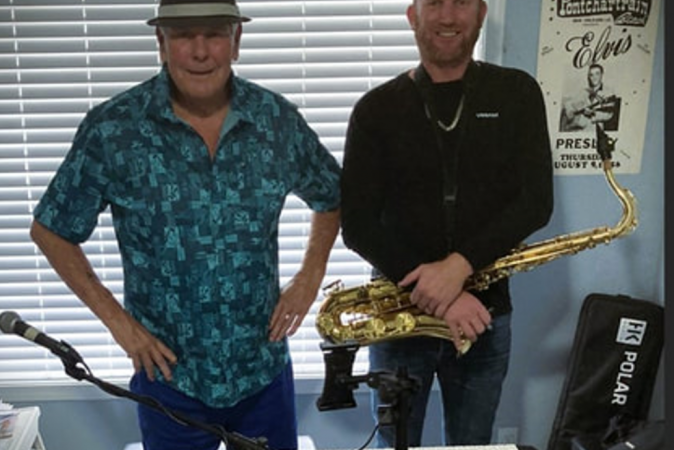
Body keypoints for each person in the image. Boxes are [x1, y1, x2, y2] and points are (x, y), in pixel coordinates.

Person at [29, 1, 341, 449]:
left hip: (262, 371)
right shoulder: (114, 130)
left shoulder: (276, 122)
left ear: (236, 41)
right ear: (161, 43)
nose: (200, 51)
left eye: (214, 34)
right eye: (183, 35)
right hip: (170, 379)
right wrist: (119, 324)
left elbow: (331, 195)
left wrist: (309, 276)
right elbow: (52, 230)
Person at [340, 0, 553, 447]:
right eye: (434, 2)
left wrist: (459, 266)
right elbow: (358, 224)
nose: (448, 16)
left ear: (482, 13)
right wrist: (445, 294)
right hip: (399, 317)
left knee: (472, 446)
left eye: (461, 2)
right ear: (412, 15)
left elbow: (535, 203)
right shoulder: (376, 109)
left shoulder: (517, 93)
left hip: (484, 316)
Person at [560, 63, 619, 132]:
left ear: (602, 74)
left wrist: (593, 114)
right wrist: (570, 110)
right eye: (591, 75)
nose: (594, 77)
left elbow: (609, 114)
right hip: (581, 129)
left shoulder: (608, 92)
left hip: (596, 130)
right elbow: (570, 104)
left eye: (597, 74)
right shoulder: (584, 92)